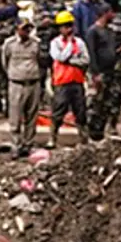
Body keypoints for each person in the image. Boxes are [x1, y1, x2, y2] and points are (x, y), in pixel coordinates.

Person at [86, 0, 121, 141]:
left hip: (113, 70)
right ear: (105, 14)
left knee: (114, 98)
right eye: (111, 13)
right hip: (101, 71)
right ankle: (94, 131)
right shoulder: (93, 31)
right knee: (98, 101)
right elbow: (91, 53)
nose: (114, 16)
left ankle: (112, 126)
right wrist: (95, 73)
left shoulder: (110, 31)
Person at [48, 10, 89, 149]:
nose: (68, 29)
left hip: (77, 81)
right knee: (58, 112)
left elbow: (85, 60)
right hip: (62, 82)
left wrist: (71, 61)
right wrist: (70, 46)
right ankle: (52, 138)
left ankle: (84, 139)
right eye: (65, 26)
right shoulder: (55, 43)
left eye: (70, 25)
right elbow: (60, 57)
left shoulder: (80, 42)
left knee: (80, 111)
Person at [2, 15, 42, 158]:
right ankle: (16, 145)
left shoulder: (36, 43)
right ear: (17, 29)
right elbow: (4, 62)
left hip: (33, 83)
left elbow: (39, 60)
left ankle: (28, 144)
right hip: (16, 84)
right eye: (24, 29)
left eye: (29, 29)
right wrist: (14, 75)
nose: (27, 32)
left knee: (32, 116)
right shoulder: (9, 44)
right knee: (15, 117)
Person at [34, 0, 64, 90]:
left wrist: (51, 21)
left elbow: (63, 21)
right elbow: (38, 22)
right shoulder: (39, 4)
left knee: (57, 73)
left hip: (56, 43)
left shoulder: (60, 4)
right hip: (43, 44)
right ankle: (40, 100)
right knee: (41, 74)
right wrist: (53, 21)